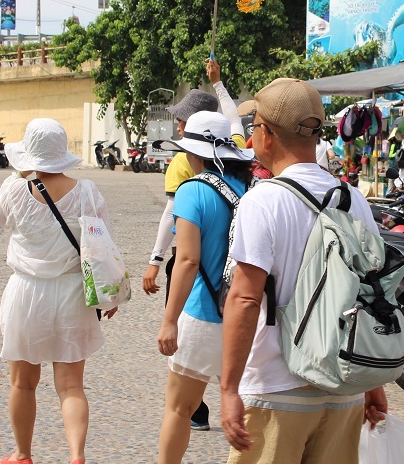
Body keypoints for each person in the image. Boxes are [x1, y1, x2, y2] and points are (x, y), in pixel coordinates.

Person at [220, 77, 387, 463]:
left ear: (266, 135)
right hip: (344, 387)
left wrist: (229, 389)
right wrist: (372, 382)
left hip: (277, 388)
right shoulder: (354, 200)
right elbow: (371, 292)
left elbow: (244, 299)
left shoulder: (263, 201)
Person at [0, 118, 118, 464]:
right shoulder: (87, 191)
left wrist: (18, 174)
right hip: (74, 292)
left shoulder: (16, 189)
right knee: (71, 385)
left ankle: (23, 454)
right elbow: (103, 244)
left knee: (22, 383)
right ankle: (76, 455)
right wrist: (108, 292)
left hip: (27, 292)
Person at [143, 57, 245, 430]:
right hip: (244, 300)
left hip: (203, 292)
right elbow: (234, 119)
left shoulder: (187, 171)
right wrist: (218, 83)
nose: (179, 127)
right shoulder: (243, 169)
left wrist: (155, 261)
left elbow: (176, 234)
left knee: (177, 405)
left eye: (183, 122)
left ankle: (198, 412)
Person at [154, 111, 254, 464]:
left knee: (179, 409)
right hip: (248, 319)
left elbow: (187, 261)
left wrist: (169, 320)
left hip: (203, 315)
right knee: (249, 411)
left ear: (193, 153)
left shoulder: (192, 191)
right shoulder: (252, 189)